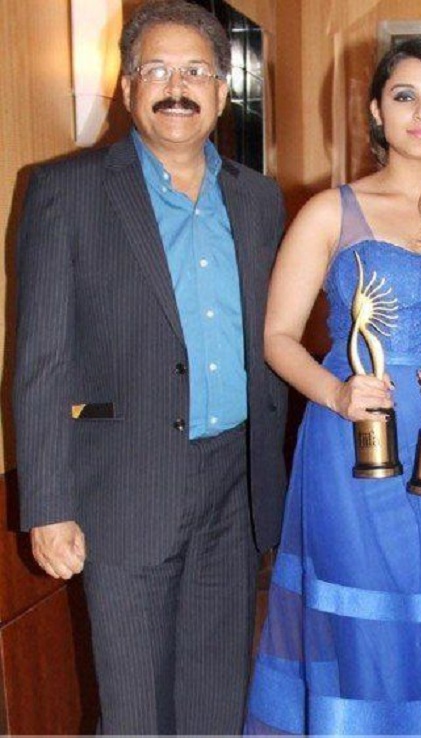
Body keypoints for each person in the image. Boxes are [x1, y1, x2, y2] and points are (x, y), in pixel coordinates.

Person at [12, 1, 287, 733]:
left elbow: (279, 341)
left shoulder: (258, 201)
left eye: (196, 71)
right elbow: (39, 358)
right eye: (157, 69)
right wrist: (45, 504)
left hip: (235, 486)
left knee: (216, 704)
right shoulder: (65, 192)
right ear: (128, 86)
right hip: (123, 486)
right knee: (133, 712)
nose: (178, 86)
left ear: (222, 93)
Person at [244, 37, 421, 736]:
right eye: (403, 95)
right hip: (351, 446)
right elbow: (277, 337)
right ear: (376, 111)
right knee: (363, 615)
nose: (420, 112)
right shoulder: (327, 212)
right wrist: (336, 394)